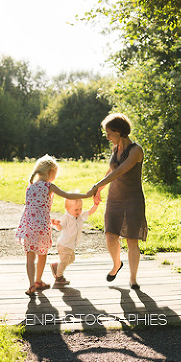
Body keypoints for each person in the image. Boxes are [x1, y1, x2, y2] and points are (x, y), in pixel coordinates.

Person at [16, 155, 94, 296]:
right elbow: (68, 195)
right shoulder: (49, 186)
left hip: (29, 226)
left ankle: (31, 285)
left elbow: (34, 208)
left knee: (30, 256)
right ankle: (39, 280)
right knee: (42, 254)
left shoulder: (30, 187)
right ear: (50, 173)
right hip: (43, 227)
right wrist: (87, 195)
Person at [88, 113, 147, 291]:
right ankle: (116, 264)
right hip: (114, 198)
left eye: (109, 133)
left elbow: (120, 171)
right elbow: (111, 169)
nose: (107, 137)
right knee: (111, 236)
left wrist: (97, 185)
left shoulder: (136, 150)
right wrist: (99, 189)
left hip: (133, 199)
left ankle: (133, 279)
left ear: (119, 131)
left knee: (132, 240)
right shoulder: (115, 149)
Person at [49, 196, 100, 285]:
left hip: (71, 245)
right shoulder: (65, 217)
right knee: (64, 261)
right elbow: (60, 228)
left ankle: (56, 266)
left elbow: (90, 212)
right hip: (64, 244)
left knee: (71, 259)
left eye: (80, 209)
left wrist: (95, 205)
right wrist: (57, 224)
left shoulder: (80, 215)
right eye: (76, 210)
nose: (79, 211)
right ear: (67, 209)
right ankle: (59, 277)